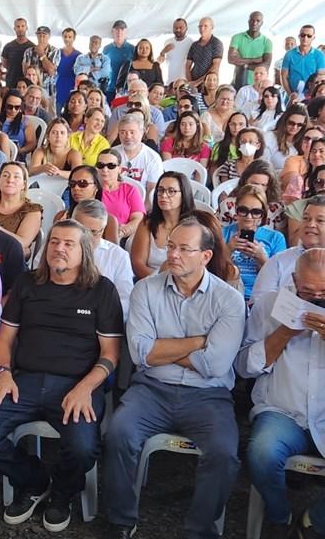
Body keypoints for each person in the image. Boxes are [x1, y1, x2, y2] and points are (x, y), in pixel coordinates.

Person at [0, 219, 124, 531]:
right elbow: (5, 340)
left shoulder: (102, 290)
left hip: (77, 384)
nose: (59, 249)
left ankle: (62, 493)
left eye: (68, 243)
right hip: (23, 380)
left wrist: (86, 388)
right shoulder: (27, 283)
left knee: (82, 448)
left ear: (84, 251)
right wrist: (3, 373)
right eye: (54, 242)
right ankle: (35, 480)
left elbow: (110, 354)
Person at [105, 217, 245, 539]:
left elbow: (216, 364)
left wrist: (161, 349)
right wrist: (199, 340)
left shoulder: (228, 299)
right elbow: (141, 354)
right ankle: (121, 520)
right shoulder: (146, 289)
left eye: (184, 249)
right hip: (152, 389)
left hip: (208, 395)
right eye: (171, 246)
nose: (173, 255)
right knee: (118, 433)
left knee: (224, 452)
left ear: (205, 256)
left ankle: (198, 530)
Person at [237, 248, 325, 538]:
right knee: (261, 452)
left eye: (324, 292)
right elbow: (243, 367)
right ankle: (280, 516)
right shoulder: (271, 305)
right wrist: (283, 334)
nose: (316, 299)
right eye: (307, 291)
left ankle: (314, 520)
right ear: (294, 280)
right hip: (282, 409)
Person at [252, 196, 325, 304]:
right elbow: (259, 304)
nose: (311, 224)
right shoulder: (279, 261)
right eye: (306, 218)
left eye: (320, 220)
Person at [222, 184, 287, 301]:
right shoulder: (223, 234)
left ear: (263, 214)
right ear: (236, 210)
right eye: (243, 210)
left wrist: (262, 258)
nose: (249, 217)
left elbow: (281, 279)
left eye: (255, 212)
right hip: (227, 293)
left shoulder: (276, 238)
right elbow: (210, 272)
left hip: (261, 295)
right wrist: (227, 250)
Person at [72, 198, 134, 318]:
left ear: (103, 229)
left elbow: (125, 301)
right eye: (82, 231)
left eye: (94, 232)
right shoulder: (55, 247)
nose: (87, 238)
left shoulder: (119, 257)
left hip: (99, 319)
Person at [130, 171, 195, 279]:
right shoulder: (147, 223)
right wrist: (161, 282)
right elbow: (137, 264)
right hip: (150, 283)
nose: (164, 195)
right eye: (160, 190)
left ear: (184, 194)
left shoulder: (194, 227)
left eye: (171, 191)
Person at [218, 159, 287, 234]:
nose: (258, 188)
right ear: (245, 181)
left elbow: (280, 238)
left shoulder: (277, 208)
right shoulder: (228, 205)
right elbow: (219, 235)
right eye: (254, 184)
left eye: (263, 185)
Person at [0, 162, 43, 258]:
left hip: (10, 261)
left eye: (16, 177)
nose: (10, 180)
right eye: (5, 175)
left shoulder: (32, 210)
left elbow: (22, 243)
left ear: (24, 184)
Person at [97, 149, 146, 239]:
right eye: (100, 165)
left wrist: (122, 231)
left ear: (119, 169)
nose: (105, 169)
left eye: (111, 166)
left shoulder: (129, 190)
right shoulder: (91, 188)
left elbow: (138, 219)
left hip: (122, 237)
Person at [112, 113, 163, 197]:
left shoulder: (153, 158)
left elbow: (151, 194)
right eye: (123, 132)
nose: (127, 136)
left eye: (132, 132)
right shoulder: (112, 154)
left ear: (142, 132)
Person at [227, 11, 273, 89]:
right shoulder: (237, 37)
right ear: (248, 21)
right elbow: (231, 59)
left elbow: (266, 65)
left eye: (258, 21)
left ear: (262, 23)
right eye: (252, 20)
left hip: (259, 85)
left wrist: (246, 66)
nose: (254, 23)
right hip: (238, 81)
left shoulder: (267, 42)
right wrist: (255, 60)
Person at [281, 25, 325, 101]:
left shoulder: (319, 55)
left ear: (313, 37)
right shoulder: (289, 54)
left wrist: (313, 94)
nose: (305, 38)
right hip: (292, 96)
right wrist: (290, 94)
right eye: (303, 35)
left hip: (312, 96)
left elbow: (321, 78)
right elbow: (283, 76)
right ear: (299, 36)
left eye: (309, 36)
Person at [282, 130, 325, 204]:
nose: (316, 155)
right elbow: (290, 206)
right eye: (313, 151)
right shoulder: (298, 181)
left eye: (321, 151)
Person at [265, 104, 309, 171]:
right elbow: (263, 165)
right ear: (284, 120)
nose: (295, 127)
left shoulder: (304, 142)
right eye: (291, 123)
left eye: (299, 125)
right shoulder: (270, 137)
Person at [22, 26, 59, 105]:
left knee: (49, 115)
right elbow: (25, 71)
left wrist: (42, 54)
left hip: (49, 90)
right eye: (39, 35)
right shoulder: (29, 51)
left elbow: (51, 71)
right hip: (31, 90)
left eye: (44, 35)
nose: (41, 38)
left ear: (49, 36)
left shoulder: (55, 51)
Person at [185, 17, 224, 89]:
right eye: (200, 26)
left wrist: (198, 82)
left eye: (205, 26)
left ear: (212, 27)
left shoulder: (216, 43)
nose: (202, 28)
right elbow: (187, 65)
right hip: (193, 83)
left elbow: (215, 66)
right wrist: (190, 82)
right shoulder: (194, 45)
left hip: (210, 83)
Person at [1, 90, 38, 155]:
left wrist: (21, 150)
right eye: (10, 107)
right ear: (5, 105)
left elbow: (32, 143)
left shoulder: (26, 122)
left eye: (17, 107)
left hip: (17, 156)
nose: (13, 110)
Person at [1, 18, 36, 88]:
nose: (20, 29)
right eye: (18, 26)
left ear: (26, 28)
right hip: (11, 83)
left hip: (27, 84)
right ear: (14, 28)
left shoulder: (33, 47)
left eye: (23, 26)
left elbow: (34, 67)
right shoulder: (8, 46)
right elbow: (5, 64)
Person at [160, 18, 194, 84]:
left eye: (181, 27)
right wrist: (163, 52)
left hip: (185, 81)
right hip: (169, 81)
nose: (178, 30)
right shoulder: (167, 41)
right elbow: (160, 61)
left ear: (186, 28)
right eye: (176, 28)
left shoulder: (191, 42)